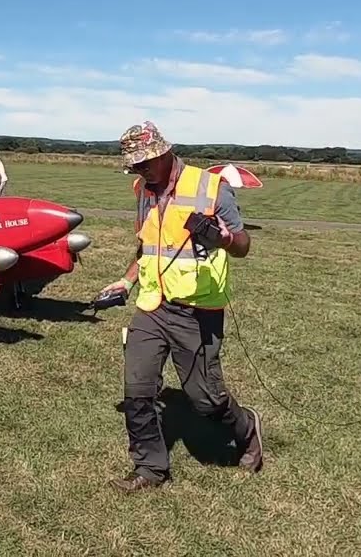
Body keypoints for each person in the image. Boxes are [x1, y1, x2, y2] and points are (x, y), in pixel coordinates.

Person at [99, 121, 264, 491]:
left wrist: (224, 238)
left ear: (163, 152)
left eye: (143, 163)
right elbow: (147, 243)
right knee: (137, 391)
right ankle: (150, 469)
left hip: (197, 309)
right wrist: (127, 281)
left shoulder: (210, 188)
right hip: (152, 306)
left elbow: (243, 245)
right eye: (134, 166)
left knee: (206, 399)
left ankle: (247, 427)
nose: (138, 171)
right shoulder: (143, 188)